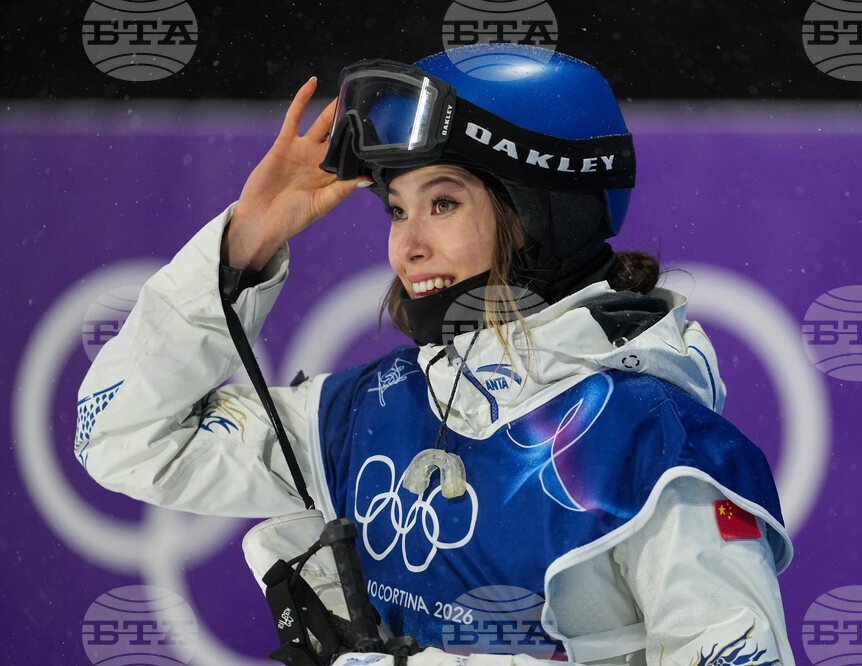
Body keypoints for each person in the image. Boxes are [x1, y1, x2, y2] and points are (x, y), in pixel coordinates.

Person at [76, 44, 794, 665]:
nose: (406, 245)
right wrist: (240, 250)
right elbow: (121, 437)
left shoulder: (659, 450)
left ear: (542, 209)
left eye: (443, 203)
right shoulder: (363, 417)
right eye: (397, 208)